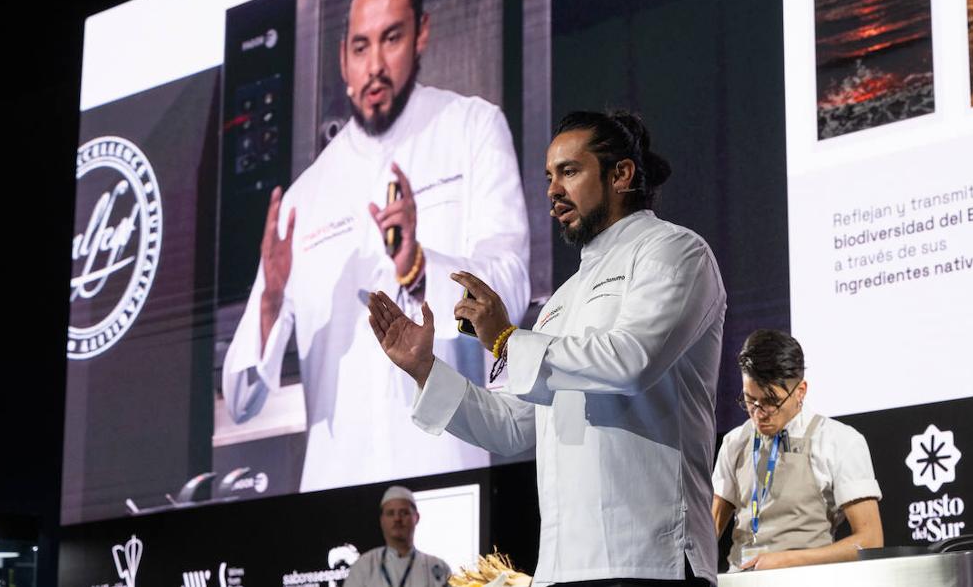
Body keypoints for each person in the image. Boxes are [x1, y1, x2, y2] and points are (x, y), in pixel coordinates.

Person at [369, 110, 727, 586]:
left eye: (570, 171)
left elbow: (632, 361)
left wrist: (506, 340)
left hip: (648, 561)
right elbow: (514, 427)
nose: (553, 191)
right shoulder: (561, 300)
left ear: (621, 174)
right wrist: (425, 370)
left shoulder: (674, 251)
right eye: (548, 177)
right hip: (561, 568)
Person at [222, 0, 531, 491]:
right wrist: (269, 302)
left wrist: (417, 266)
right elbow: (243, 399)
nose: (376, 66)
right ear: (343, 57)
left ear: (421, 35)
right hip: (332, 503)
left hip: (450, 483)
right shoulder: (303, 196)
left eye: (392, 38)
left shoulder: (472, 129)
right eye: (362, 47)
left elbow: (511, 287)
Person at [711, 330, 883, 571]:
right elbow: (709, 531)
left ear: (800, 391)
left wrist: (786, 560)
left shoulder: (840, 441)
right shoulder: (734, 443)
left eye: (772, 402)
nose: (759, 413)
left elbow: (870, 540)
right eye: (750, 400)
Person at [343, 486, 452, 587]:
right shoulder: (364, 566)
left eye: (404, 513)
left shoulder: (438, 567)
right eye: (390, 513)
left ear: (416, 517)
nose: (397, 519)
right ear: (382, 520)